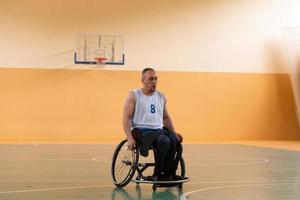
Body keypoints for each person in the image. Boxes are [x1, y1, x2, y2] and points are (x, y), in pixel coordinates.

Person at [122, 67, 187, 181]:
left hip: (159, 131)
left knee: (176, 142)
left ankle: (169, 173)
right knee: (164, 141)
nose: (154, 82)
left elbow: (166, 117)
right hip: (141, 131)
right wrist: (129, 138)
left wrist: (174, 132)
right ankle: (157, 175)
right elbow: (126, 118)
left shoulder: (160, 96)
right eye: (151, 79)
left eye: (156, 79)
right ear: (143, 80)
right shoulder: (134, 95)